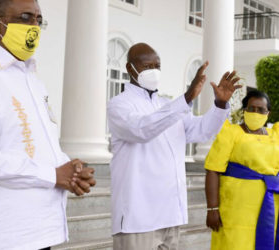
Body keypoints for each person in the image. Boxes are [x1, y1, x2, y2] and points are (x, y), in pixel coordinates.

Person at [0, 0, 96, 249]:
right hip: (0, 235)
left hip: (37, 231)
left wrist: (69, 167)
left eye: (39, 19)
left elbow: (38, 143)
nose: (34, 26)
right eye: (25, 17)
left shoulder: (32, 79)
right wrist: (54, 175)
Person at [107, 43, 241, 250]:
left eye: (157, 65)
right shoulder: (120, 104)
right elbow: (142, 130)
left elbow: (202, 130)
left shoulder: (165, 105)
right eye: (146, 66)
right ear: (129, 69)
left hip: (170, 213)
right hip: (137, 216)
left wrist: (220, 104)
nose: (153, 71)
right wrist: (187, 97)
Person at [205, 90, 279, 250]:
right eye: (251, 108)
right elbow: (213, 169)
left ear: (268, 113)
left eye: (261, 110)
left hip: (269, 209)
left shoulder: (276, 135)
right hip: (235, 210)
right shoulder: (231, 132)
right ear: (244, 110)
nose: (255, 113)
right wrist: (212, 209)